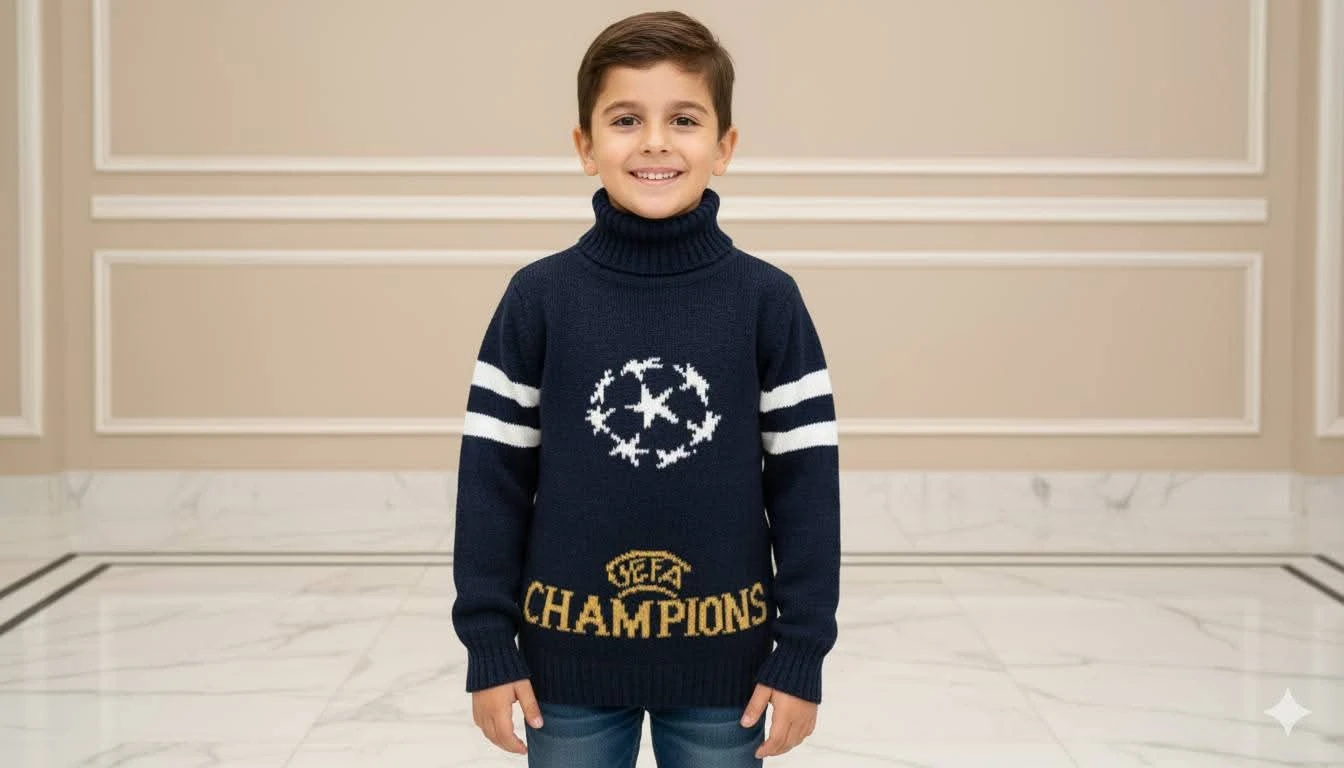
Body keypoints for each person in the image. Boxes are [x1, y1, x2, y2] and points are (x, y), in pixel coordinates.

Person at [451, 9, 840, 766]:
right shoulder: (538, 299)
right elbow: (491, 482)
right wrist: (489, 645)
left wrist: (801, 651)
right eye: (626, 119)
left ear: (724, 147)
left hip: (729, 671)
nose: (655, 142)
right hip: (562, 667)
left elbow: (807, 491)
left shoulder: (768, 302)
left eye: (684, 120)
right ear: (585, 146)